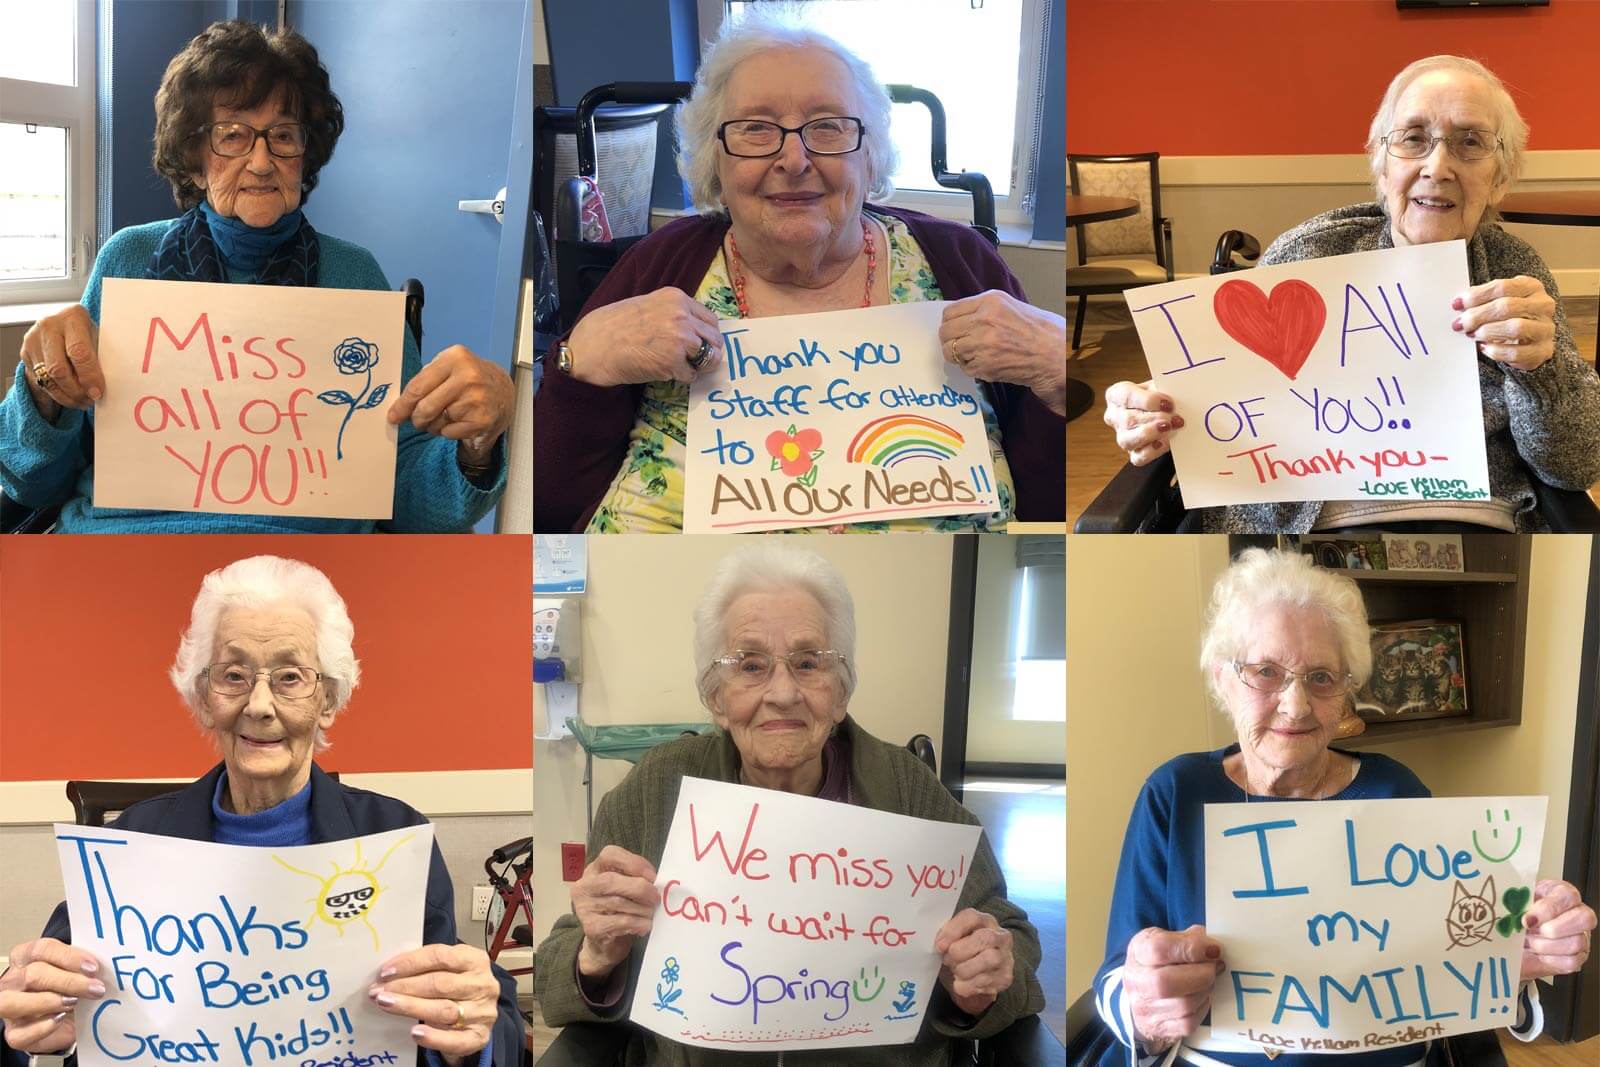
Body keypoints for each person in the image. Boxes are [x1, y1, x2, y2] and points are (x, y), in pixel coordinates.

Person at [533, 13, 1066, 533]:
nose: (793, 159)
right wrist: (579, 363)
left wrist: (1055, 374)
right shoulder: (659, 266)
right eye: (757, 129)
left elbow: (1051, 512)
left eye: (828, 127)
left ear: (871, 156)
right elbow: (546, 512)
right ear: (713, 159)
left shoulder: (959, 260)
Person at [0, 556, 524, 1064]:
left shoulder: (393, 837)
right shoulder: (131, 841)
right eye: (233, 675)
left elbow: (469, 1012)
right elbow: (42, 1001)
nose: (259, 704)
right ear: (204, 698)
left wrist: (469, 1033)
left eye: (290, 677)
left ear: (328, 700)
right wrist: (24, 1013)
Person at [534, 546, 1045, 1064]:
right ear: (715, 697)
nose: (782, 692)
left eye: (808, 663)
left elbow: (1012, 935)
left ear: (841, 692)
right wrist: (597, 955)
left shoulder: (907, 789)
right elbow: (556, 969)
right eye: (750, 665)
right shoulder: (653, 790)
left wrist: (980, 982)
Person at [0, 21, 513, 532]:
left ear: (305, 156)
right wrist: (45, 393)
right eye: (232, 136)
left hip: (303, 572)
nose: (262, 162)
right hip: (125, 550)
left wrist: (476, 445)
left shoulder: (353, 273)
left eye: (283, 136)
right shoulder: (129, 259)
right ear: (196, 160)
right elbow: (34, 484)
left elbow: (409, 494)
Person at [1092, 549, 1595, 1066]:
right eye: (1266, 671)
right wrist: (1142, 1007)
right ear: (1223, 679)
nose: (1296, 705)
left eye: (1322, 678)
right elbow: (1118, 976)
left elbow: (1457, 966)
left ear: (1347, 693)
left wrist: (1521, 950)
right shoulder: (1174, 793)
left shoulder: (1395, 792)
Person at [1102, 56, 1600, 533]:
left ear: (1500, 177)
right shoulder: (1310, 254)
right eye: (1414, 139)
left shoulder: (1514, 274)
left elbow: (1575, 466)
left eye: (1470, 143)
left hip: (1472, 520)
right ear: (1383, 167)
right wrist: (1153, 412)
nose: (1438, 166)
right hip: (1296, 529)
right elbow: (1227, 401)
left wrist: (1542, 371)